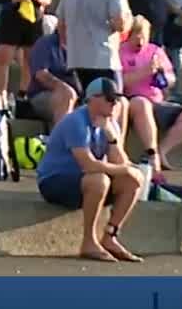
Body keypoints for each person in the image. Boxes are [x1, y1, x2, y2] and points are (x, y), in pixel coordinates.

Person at [35, 78, 145, 262]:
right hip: (54, 181)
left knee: (132, 181)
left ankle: (110, 236)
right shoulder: (76, 121)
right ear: (93, 99)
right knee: (100, 179)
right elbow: (88, 165)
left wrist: (111, 139)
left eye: (116, 99)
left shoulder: (110, 124)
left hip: (84, 181)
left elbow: (121, 162)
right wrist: (125, 170)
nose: (115, 103)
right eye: (109, 99)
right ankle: (88, 242)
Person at [120, 16, 182, 176]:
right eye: (136, 35)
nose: (140, 40)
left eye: (143, 35)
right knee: (142, 104)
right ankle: (152, 154)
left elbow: (171, 79)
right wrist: (144, 72)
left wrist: (162, 75)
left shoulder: (155, 51)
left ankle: (163, 151)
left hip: (158, 101)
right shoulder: (119, 51)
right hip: (133, 101)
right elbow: (120, 82)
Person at [58, 0, 132, 90]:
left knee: (87, 105)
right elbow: (120, 24)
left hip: (76, 59)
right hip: (104, 60)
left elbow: (61, 25)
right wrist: (129, 20)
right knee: (114, 104)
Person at [27, 26, 79, 127]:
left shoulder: (81, 47)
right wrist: (62, 87)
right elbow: (41, 75)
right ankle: (60, 140)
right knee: (67, 95)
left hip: (77, 97)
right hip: (44, 94)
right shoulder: (45, 43)